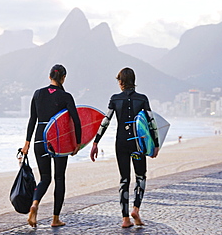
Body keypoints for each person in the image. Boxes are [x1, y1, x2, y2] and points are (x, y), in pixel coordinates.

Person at [90, 67, 159, 228]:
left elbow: (105, 121)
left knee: (124, 179)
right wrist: (155, 144)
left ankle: (125, 219)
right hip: (136, 145)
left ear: (120, 82)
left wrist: (95, 142)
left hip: (121, 144)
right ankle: (136, 209)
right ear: (134, 82)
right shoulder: (142, 99)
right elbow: (152, 122)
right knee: (140, 176)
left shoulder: (115, 99)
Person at [21, 64, 82, 227]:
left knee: (45, 178)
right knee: (59, 178)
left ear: (50, 77)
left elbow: (32, 120)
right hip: (58, 141)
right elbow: (76, 120)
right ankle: (55, 219)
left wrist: (26, 144)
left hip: (39, 139)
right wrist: (78, 142)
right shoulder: (66, 96)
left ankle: (34, 204)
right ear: (63, 78)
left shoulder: (38, 93)